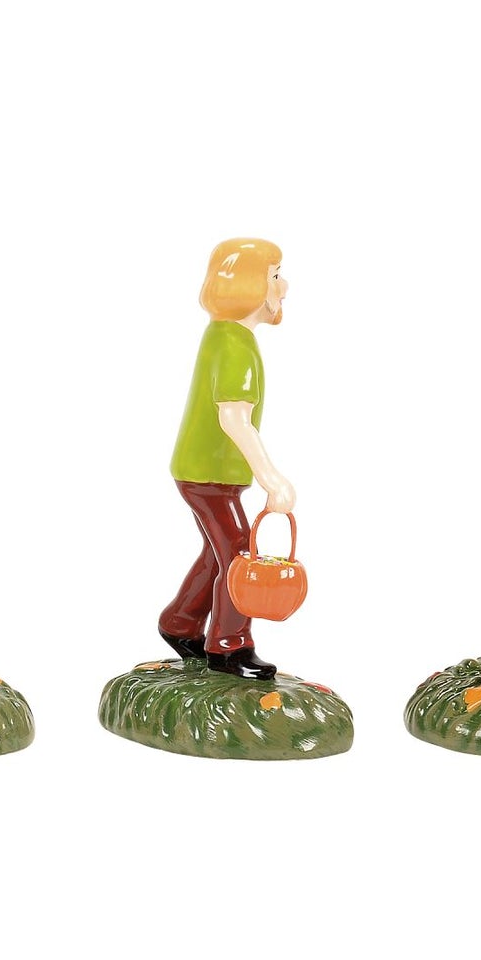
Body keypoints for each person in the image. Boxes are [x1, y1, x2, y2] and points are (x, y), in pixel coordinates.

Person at [158, 237, 293, 681]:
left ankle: (180, 623)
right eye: (275, 276)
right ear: (251, 285)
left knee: (219, 553)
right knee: (238, 555)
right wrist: (272, 479)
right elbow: (234, 419)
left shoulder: (228, 336)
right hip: (208, 473)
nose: (284, 287)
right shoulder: (235, 345)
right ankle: (229, 645)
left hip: (205, 470)